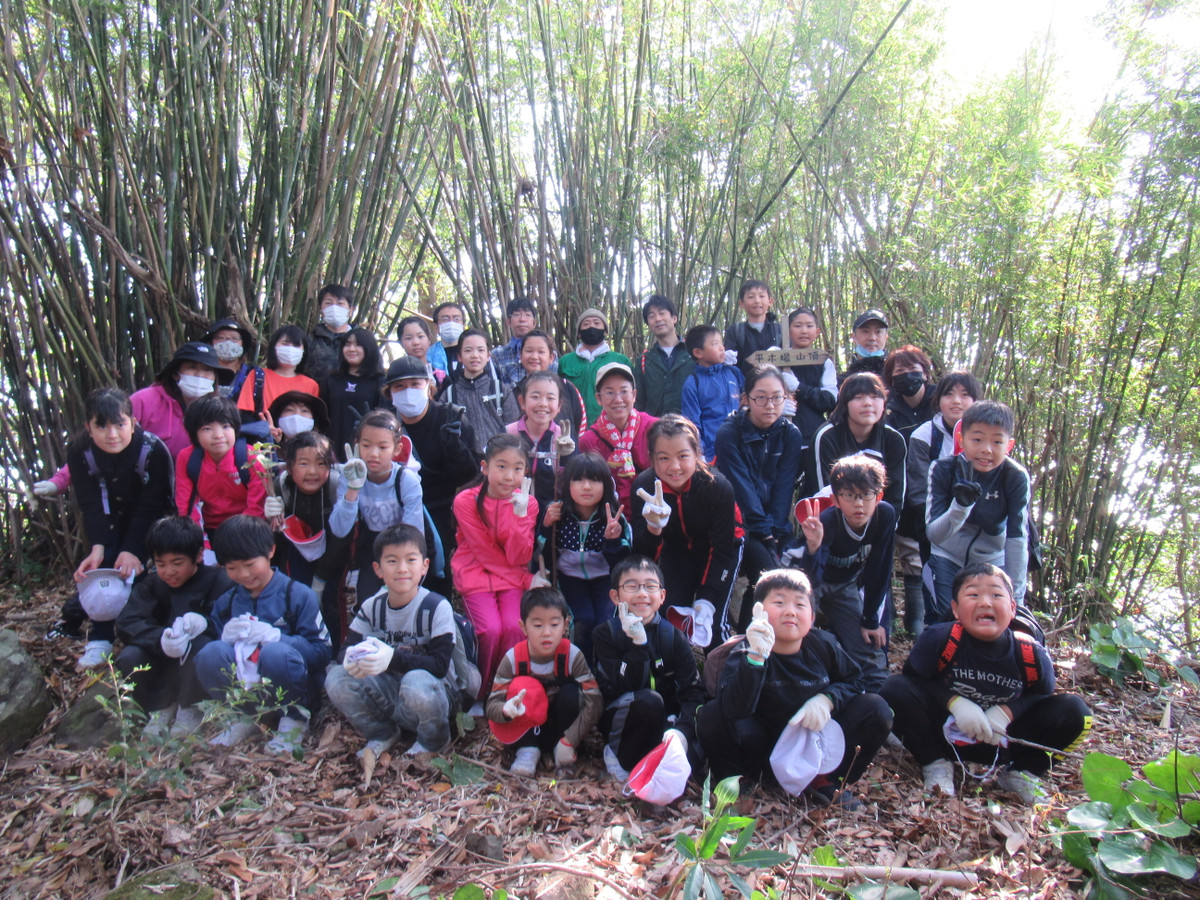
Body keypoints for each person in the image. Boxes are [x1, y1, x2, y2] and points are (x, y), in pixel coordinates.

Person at [879, 563, 1091, 803]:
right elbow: (912, 680)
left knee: (1077, 712)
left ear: (1012, 608)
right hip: (948, 733)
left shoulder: (1030, 652)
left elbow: (1043, 693)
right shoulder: (940, 639)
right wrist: (956, 703)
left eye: (996, 595)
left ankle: (1022, 774)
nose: (985, 603)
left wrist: (1006, 713)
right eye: (973, 595)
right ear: (956, 609)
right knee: (892, 689)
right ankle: (935, 763)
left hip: (1001, 738)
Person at [696, 568, 892, 808]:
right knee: (711, 713)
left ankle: (825, 780)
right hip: (760, 749)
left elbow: (855, 681)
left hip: (814, 744)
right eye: (779, 602)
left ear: (812, 617)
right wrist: (756, 659)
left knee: (876, 709)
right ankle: (736, 781)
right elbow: (732, 709)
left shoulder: (823, 646)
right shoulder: (743, 652)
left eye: (800, 604)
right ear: (758, 612)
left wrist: (827, 699)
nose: (790, 611)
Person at [55, 387, 174, 668]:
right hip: (110, 516)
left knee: (143, 573)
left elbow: (154, 504)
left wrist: (133, 549)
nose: (112, 434)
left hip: (155, 520)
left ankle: (141, 631)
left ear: (132, 422)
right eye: (101, 426)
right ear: (88, 427)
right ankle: (100, 637)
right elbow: (91, 503)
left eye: (120, 424)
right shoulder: (80, 451)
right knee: (104, 564)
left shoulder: (153, 450)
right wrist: (98, 545)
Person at [194, 515, 332, 753]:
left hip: (296, 687)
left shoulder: (297, 595)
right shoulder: (228, 602)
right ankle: (240, 716)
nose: (244, 575)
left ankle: (294, 720)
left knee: (275, 652)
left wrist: (278, 638)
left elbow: (322, 653)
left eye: (249, 565)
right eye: (232, 568)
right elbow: (217, 654)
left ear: (270, 551)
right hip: (248, 688)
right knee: (209, 653)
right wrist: (223, 637)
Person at [325, 525, 461, 760]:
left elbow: (439, 665)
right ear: (377, 569)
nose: (402, 569)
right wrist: (353, 659)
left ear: (424, 566)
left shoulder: (436, 607)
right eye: (392, 561)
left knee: (415, 680)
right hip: (390, 694)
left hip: (434, 695)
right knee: (336, 677)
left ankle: (434, 741)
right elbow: (346, 650)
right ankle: (382, 732)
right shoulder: (372, 607)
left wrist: (390, 658)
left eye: (411, 560)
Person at [113, 516, 232, 738]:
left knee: (202, 646)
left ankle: (191, 709)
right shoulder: (152, 584)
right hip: (159, 664)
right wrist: (161, 639)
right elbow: (128, 622)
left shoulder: (220, 581)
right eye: (161, 564)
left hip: (196, 670)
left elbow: (228, 624)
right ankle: (159, 709)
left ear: (198, 555)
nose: (169, 572)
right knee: (130, 656)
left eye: (177, 563)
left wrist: (203, 625)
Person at [591, 555, 705, 781]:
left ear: (662, 596)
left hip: (664, 720)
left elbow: (693, 691)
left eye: (650, 586)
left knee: (695, 761)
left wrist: (681, 731)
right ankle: (616, 754)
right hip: (623, 716)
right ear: (615, 596)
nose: (642, 594)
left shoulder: (673, 637)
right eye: (631, 586)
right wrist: (638, 645)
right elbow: (621, 686)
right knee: (649, 701)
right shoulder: (606, 634)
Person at [630, 415, 739, 650]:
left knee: (715, 629)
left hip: (719, 551)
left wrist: (707, 598)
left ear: (697, 454)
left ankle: (720, 680)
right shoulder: (643, 487)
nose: (675, 466)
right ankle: (677, 679)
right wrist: (653, 528)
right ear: (651, 459)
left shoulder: (717, 487)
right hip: (675, 551)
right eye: (664, 458)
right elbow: (642, 553)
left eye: (683, 456)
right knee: (666, 623)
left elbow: (723, 549)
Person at [793, 455, 896, 691]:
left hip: (846, 584)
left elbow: (880, 566)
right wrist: (814, 546)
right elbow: (810, 578)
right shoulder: (828, 520)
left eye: (866, 495)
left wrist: (871, 619)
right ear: (836, 500)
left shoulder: (884, 516)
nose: (858, 504)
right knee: (800, 634)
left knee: (867, 644)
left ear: (878, 496)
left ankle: (877, 697)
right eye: (849, 496)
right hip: (813, 583)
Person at [715, 366, 804, 633]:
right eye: (761, 397)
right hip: (737, 522)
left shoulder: (790, 434)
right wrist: (765, 533)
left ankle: (762, 641)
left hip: (773, 525)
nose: (770, 405)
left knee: (779, 576)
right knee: (767, 575)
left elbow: (784, 488)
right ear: (746, 399)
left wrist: (774, 531)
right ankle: (745, 644)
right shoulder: (729, 433)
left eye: (778, 397)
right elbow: (741, 488)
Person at [382, 356, 480, 592]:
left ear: (429, 387)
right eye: (400, 386)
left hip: (441, 511)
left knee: (436, 580)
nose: (408, 392)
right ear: (390, 394)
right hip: (396, 509)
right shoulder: (384, 424)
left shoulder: (451, 416)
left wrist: (454, 447)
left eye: (415, 384)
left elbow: (471, 475)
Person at [926, 401, 1030, 622]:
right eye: (977, 439)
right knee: (946, 622)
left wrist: (1017, 599)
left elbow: (1017, 537)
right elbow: (934, 535)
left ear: (1009, 445)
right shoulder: (944, 468)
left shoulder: (1015, 476)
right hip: (946, 554)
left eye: (997, 442)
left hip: (992, 558)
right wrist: (960, 507)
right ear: (962, 440)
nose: (986, 449)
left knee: (992, 625)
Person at [452, 434, 540, 692]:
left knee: (514, 627)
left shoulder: (528, 503)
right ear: (485, 467)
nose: (509, 476)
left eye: (517, 468)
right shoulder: (466, 501)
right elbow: (483, 551)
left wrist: (520, 516)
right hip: (475, 573)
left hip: (510, 575)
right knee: (489, 630)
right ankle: (477, 692)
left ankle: (504, 689)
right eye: (501, 466)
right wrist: (527, 580)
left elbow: (519, 557)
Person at [485, 587, 602, 777]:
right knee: (521, 686)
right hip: (527, 727)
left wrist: (570, 739)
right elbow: (492, 704)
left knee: (571, 693)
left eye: (554, 625)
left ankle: (562, 750)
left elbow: (595, 701)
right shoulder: (513, 658)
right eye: (538, 626)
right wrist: (505, 711)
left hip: (563, 727)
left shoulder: (573, 656)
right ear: (523, 627)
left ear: (565, 625)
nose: (546, 633)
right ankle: (527, 750)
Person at [328, 409, 424, 632]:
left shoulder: (405, 480)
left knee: (404, 604)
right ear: (356, 445)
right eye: (366, 445)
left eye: (382, 447)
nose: (373, 454)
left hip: (406, 548)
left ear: (396, 449)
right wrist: (353, 489)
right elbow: (339, 529)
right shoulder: (350, 474)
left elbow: (414, 533)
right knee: (370, 605)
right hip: (372, 548)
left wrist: (398, 567)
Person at [901, 371, 981, 635]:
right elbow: (918, 492)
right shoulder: (925, 435)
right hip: (935, 529)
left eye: (965, 395)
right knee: (939, 596)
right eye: (949, 394)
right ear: (938, 399)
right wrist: (942, 523)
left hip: (980, 533)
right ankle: (937, 643)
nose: (956, 401)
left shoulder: (985, 433)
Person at [540, 452, 632, 661]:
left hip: (604, 578)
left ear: (606, 485)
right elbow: (541, 554)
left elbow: (622, 566)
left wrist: (612, 541)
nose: (587, 486)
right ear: (567, 484)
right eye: (578, 479)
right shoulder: (557, 513)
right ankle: (581, 669)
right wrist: (546, 526)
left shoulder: (614, 518)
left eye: (594, 479)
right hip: (569, 577)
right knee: (582, 619)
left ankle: (606, 670)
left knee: (605, 621)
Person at [266, 431, 339, 632]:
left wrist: (322, 577)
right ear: (289, 467)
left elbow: (343, 539)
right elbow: (276, 544)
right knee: (296, 597)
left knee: (330, 599)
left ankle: (334, 650)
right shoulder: (280, 488)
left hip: (333, 553)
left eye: (321, 463)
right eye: (304, 463)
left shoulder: (336, 486)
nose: (312, 471)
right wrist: (270, 521)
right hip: (295, 554)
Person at [809, 373, 906, 510]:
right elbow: (824, 494)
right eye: (858, 397)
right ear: (844, 403)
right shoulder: (826, 437)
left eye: (874, 397)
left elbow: (895, 496)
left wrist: (885, 527)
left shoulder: (893, 439)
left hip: (878, 522)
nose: (868, 403)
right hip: (829, 522)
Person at [175, 396, 266, 540]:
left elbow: (257, 508)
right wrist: (201, 543)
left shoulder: (253, 457)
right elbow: (186, 507)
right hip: (207, 528)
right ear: (194, 434)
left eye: (226, 426)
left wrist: (235, 541)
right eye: (207, 428)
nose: (218, 435)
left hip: (248, 530)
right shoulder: (187, 458)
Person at [578, 362, 658, 517]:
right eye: (609, 393)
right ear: (598, 398)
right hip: (610, 517)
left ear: (634, 395)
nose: (618, 399)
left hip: (652, 512)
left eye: (624, 391)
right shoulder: (589, 440)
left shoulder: (653, 428)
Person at [505, 371, 577, 529]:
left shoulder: (563, 438)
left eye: (550, 398)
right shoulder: (508, 435)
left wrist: (566, 458)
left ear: (559, 406)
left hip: (553, 521)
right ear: (522, 402)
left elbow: (572, 482)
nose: (543, 403)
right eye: (535, 397)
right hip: (512, 517)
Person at [131, 341, 223, 457]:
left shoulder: (220, 409)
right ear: (175, 373)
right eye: (192, 367)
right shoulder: (143, 400)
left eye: (207, 369)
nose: (200, 375)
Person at [236, 325, 319, 436]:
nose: (290, 349)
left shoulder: (311, 385)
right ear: (274, 347)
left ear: (304, 351)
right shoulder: (257, 376)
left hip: (299, 444)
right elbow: (245, 412)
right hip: (263, 440)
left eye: (296, 345)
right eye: (285, 344)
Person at [501, 330, 588, 436]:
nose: (534, 356)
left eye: (541, 352)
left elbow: (581, 424)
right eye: (529, 351)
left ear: (551, 357)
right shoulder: (514, 392)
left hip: (565, 450)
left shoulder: (567, 388)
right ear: (520, 355)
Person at [680, 324, 743, 462]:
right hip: (712, 453)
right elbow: (692, 424)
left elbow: (748, 402)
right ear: (698, 353)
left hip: (741, 447)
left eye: (722, 343)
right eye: (715, 344)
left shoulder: (733, 372)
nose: (722, 348)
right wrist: (699, 454)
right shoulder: (692, 383)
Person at [557, 308, 632, 424]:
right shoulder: (565, 362)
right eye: (586, 324)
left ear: (605, 331)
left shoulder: (620, 360)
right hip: (571, 425)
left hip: (610, 426)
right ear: (579, 333)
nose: (591, 327)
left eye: (597, 323)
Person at [437, 328, 506, 454]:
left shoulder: (501, 389)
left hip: (499, 458)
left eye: (481, 350)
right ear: (459, 356)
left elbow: (513, 428)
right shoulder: (449, 395)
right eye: (468, 350)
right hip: (465, 462)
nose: (475, 355)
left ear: (488, 356)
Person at [322, 327, 384, 461]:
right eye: (347, 344)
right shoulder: (332, 380)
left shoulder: (379, 381)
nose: (351, 349)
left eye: (358, 345)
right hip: (333, 450)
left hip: (368, 451)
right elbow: (323, 416)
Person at [781, 307, 837, 450]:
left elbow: (829, 400)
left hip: (814, 435)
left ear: (817, 332)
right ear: (787, 330)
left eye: (809, 326)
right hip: (781, 434)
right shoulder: (777, 361)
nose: (804, 331)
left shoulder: (824, 362)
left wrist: (799, 387)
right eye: (798, 326)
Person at [634, 294, 693, 416]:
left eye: (662, 313)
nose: (657, 319)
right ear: (648, 324)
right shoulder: (645, 361)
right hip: (655, 429)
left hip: (688, 428)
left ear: (674, 318)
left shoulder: (693, 354)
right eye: (652, 316)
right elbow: (638, 402)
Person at [723, 279, 783, 379]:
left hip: (774, 390)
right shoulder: (734, 331)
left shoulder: (780, 330)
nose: (757, 301)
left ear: (770, 301)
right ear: (741, 303)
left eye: (762, 296)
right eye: (751, 297)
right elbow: (729, 365)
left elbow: (790, 359)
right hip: (744, 390)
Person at [882, 345, 937, 443]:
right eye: (900, 370)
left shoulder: (941, 401)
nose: (907, 374)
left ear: (925, 374)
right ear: (892, 379)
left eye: (913, 368)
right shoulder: (890, 413)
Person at [305, 283, 356, 385]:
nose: (334, 308)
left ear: (351, 310)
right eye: (328, 303)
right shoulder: (310, 340)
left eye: (340, 303)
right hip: (315, 398)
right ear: (321, 310)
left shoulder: (362, 341)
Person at [490, 297, 543, 390]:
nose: (522, 319)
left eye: (527, 315)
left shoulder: (547, 353)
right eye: (517, 314)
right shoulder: (496, 355)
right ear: (508, 322)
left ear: (534, 323)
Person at [204, 318, 256, 398]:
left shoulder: (254, 376)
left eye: (234, 338)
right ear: (210, 343)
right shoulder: (201, 373)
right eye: (221, 338)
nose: (228, 342)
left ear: (242, 345)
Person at [840, 308, 889, 382]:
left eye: (878, 332)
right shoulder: (843, 381)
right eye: (865, 331)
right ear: (854, 337)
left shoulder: (893, 377)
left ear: (886, 337)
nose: (872, 338)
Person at [398, 316, 446, 384]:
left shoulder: (442, 378)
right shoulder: (396, 378)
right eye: (408, 338)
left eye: (420, 336)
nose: (416, 342)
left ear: (429, 339)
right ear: (401, 343)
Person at [428, 301, 467, 378]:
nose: (451, 323)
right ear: (436, 327)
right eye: (445, 319)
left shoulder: (476, 352)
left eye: (456, 319)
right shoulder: (428, 356)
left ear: (463, 325)